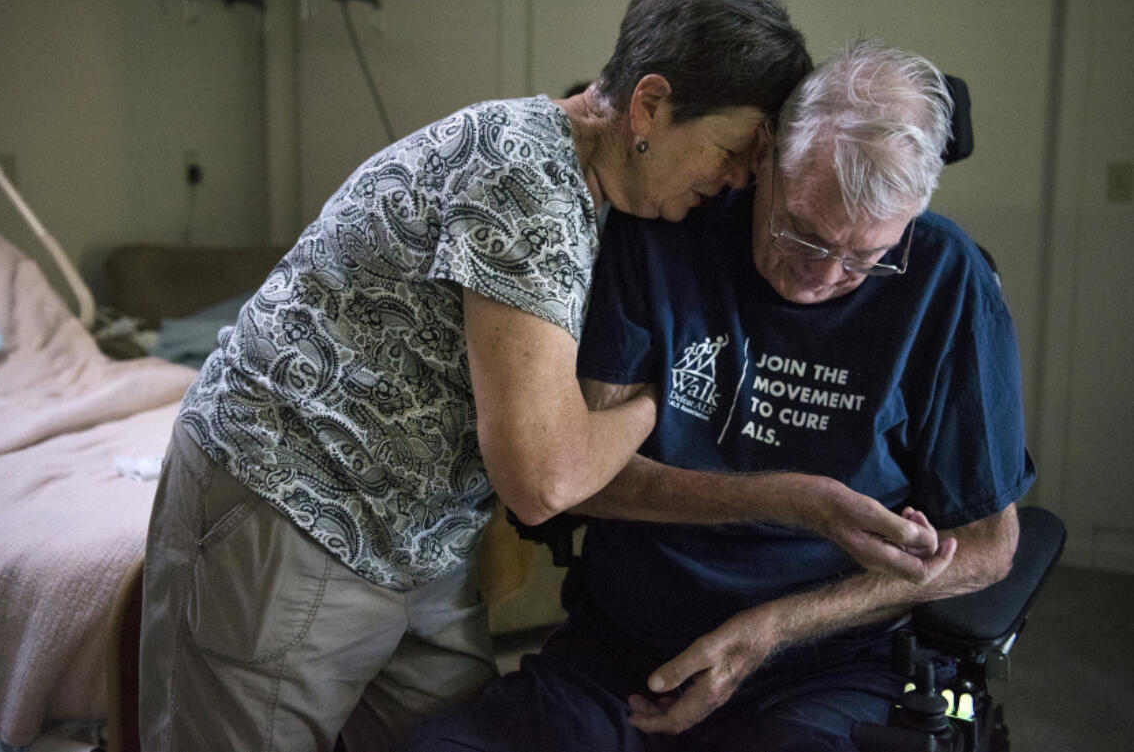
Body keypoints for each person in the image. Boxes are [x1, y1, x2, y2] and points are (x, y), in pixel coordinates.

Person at [402, 39, 1035, 752]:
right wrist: (796, 498)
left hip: (824, 666)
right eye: (800, 230)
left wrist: (771, 628)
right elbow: (578, 480)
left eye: (864, 259)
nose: (819, 276)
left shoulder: (947, 282)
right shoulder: (670, 229)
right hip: (624, 654)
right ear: (764, 158)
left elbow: (988, 544)